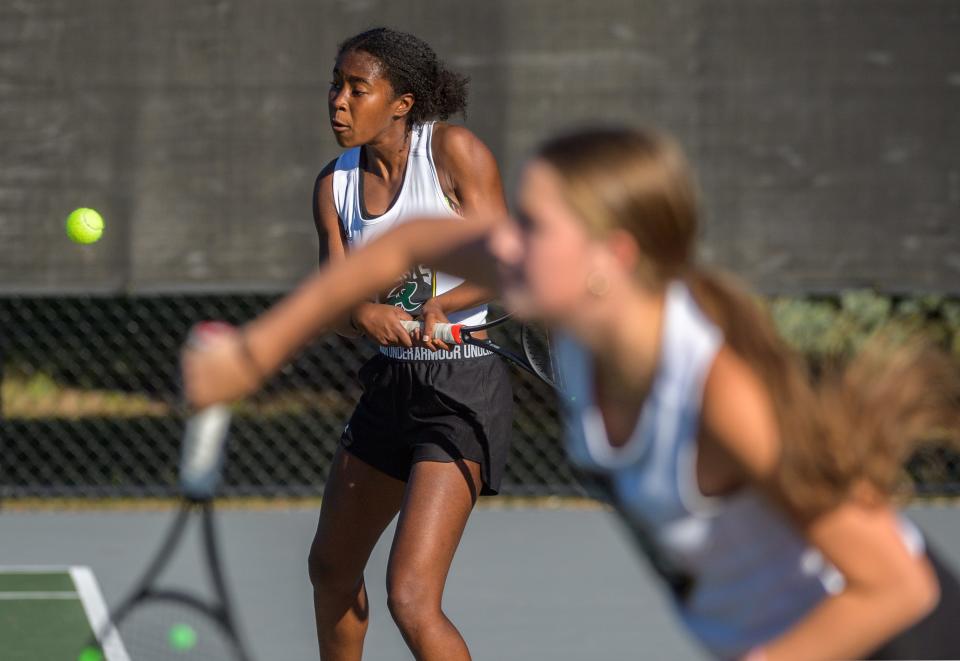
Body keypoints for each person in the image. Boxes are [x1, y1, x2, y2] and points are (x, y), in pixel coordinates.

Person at [182, 126, 960, 660]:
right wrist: (255, 350)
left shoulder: (716, 391)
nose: (506, 239)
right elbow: (415, 241)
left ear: (609, 258)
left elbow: (894, 584)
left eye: (536, 224)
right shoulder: (589, 329)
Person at [306, 28, 512, 661]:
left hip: (464, 384)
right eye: (335, 87)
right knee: (331, 571)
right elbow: (332, 303)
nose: (338, 101)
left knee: (410, 595)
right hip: (391, 386)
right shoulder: (334, 186)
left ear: (401, 102)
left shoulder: (453, 152)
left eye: (356, 89)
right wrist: (362, 312)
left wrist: (441, 306)